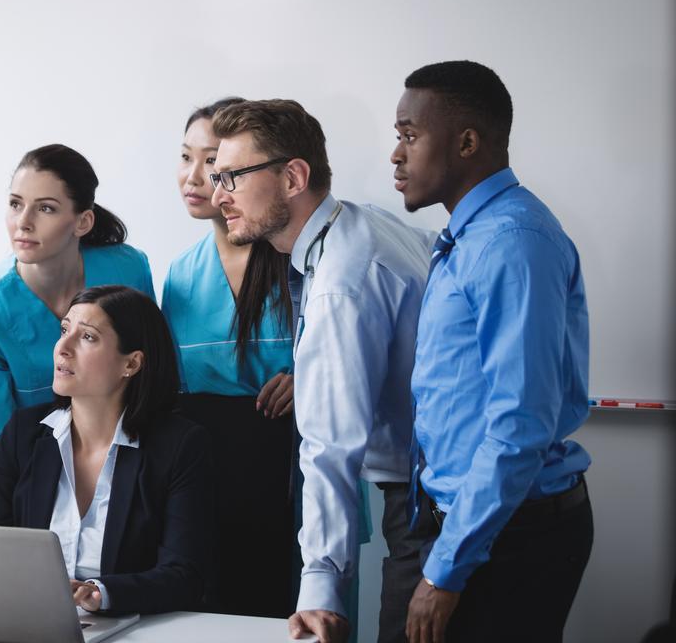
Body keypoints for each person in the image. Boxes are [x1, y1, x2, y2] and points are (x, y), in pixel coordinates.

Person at [208, 99, 432, 643]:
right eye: (217, 177)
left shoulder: (340, 281)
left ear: (293, 177)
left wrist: (320, 587)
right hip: (432, 497)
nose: (218, 197)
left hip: (426, 508)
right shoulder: (363, 225)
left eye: (233, 176)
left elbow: (330, 444)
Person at [391, 60, 592, 643]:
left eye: (409, 135)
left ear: (468, 142)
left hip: (507, 536)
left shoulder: (511, 242)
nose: (395, 155)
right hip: (477, 527)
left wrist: (446, 571)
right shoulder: (470, 236)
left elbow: (519, 423)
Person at [0, 285, 213, 614]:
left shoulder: (179, 446)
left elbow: (184, 576)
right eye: (64, 330)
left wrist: (100, 593)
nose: (63, 347)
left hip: (129, 626)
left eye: (87, 337)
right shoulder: (23, 433)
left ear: (131, 364)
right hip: (29, 619)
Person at [0, 145, 154, 523]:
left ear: (83, 222)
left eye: (45, 208)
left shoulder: (128, 271)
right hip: (4, 481)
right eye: (15, 204)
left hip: (98, 466)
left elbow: (147, 374)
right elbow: (1, 450)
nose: (23, 222)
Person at [161, 97, 297, 618]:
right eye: (186, 157)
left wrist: (306, 378)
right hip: (208, 481)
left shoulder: (297, 262)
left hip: (288, 474)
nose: (196, 176)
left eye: (214, 160)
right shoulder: (181, 274)